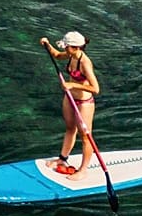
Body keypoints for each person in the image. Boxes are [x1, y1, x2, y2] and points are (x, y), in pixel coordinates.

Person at [40, 31, 99, 181]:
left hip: (84, 103)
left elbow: (96, 88)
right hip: (70, 98)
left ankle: (83, 170)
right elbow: (58, 56)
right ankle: (62, 158)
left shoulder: (85, 63)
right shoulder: (71, 55)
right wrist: (47, 45)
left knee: (85, 137)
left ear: (75, 47)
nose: (65, 49)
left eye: (67, 47)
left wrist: (72, 84)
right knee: (70, 129)